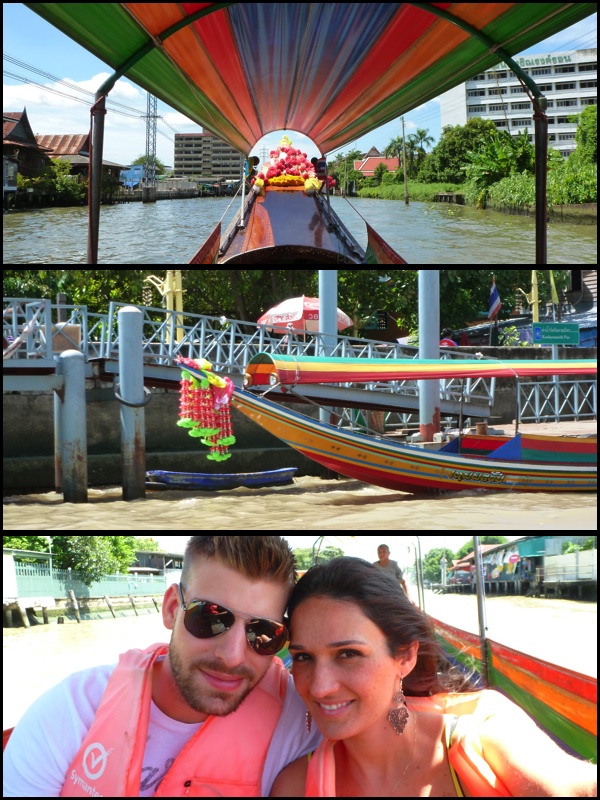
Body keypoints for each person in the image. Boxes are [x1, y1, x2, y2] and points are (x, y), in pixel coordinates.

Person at [3, 536, 322, 797]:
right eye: (209, 617)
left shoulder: (300, 721)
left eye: (263, 632)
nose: (233, 656)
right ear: (171, 609)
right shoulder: (70, 712)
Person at [271, 557, 597, 797]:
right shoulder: (294, 787)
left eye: (348, 654)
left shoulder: (485, 743)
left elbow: (571, 787)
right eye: (303, 657)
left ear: (405, 656)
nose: (320, 687)